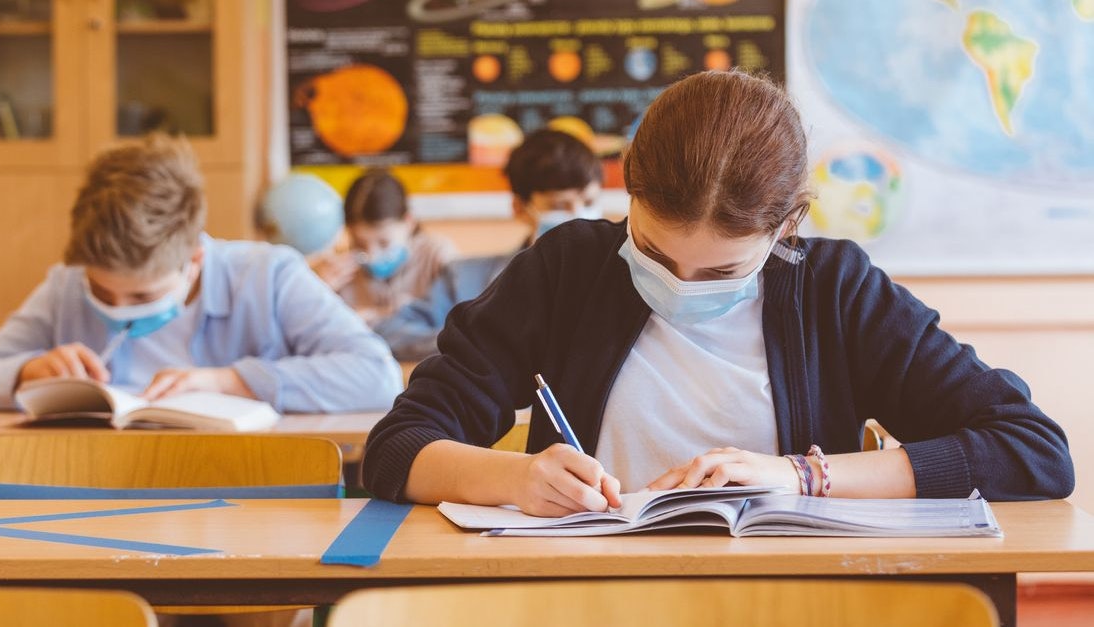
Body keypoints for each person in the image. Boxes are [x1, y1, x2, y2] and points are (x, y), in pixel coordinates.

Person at [363, 71, 1074, 515]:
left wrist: (803, 477)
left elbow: (1032, 449)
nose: (679, 284)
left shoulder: (834, 288)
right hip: (586, 598)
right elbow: (396, 447)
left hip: (789, 602)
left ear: (787, 226)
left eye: (721, 273)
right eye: (652, 253)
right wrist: (514, 477)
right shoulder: (566, 269)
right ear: (628, 190)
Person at [0, 134, 403, 414]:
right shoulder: (66, 286)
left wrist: (229, 382)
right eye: (101, 291)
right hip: (98, 494)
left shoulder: (269, 276)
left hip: (246, 499)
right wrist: (25, 371)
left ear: (194, 259)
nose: (117, 309)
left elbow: (376, 376)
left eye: (142, 297)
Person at [373, 129, 604, 361]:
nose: (579, 217)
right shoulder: (463, 278)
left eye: (588, 202)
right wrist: (474, 343)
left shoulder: (618, 276)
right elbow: (392, 332)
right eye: (559, 206)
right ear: (520, 208)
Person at [311, 169, 456, 325]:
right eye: (359, 243)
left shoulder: (437, 256)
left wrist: (378, 315)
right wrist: (316, 291)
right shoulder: (336, 271)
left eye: (384, 243)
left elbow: (458, 319)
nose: (372, 256)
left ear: (409, 222)